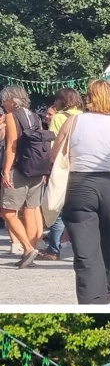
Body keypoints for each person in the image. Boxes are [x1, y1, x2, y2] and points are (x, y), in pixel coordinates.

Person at [53, 79, 110, 305]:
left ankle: (92, 299)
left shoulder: (72, 122)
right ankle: (109, 286)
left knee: (85, 250)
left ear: (89, 98)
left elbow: (54, 157)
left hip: (79, 184)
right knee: (109, 240)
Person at [2, 86, 51, 270]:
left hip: (19, 169)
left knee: (7, 211)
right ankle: (29, 251)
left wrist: (6, 170)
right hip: (37, 169)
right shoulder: (35, 116)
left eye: (4, 100)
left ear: (13, 100)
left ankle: (28, 248)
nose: (3, 104)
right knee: (30, 210)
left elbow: (12, 146)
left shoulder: (12, 116)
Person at [41, 87, 84, 260]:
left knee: (57, 206)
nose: (55, 103)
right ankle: (76, 243)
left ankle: (53, 249)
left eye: (57, 100)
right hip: (81, 166)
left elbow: (53, 146)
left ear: (63, 101)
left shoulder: (59, 118)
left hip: (62, 166)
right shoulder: (84, 116)